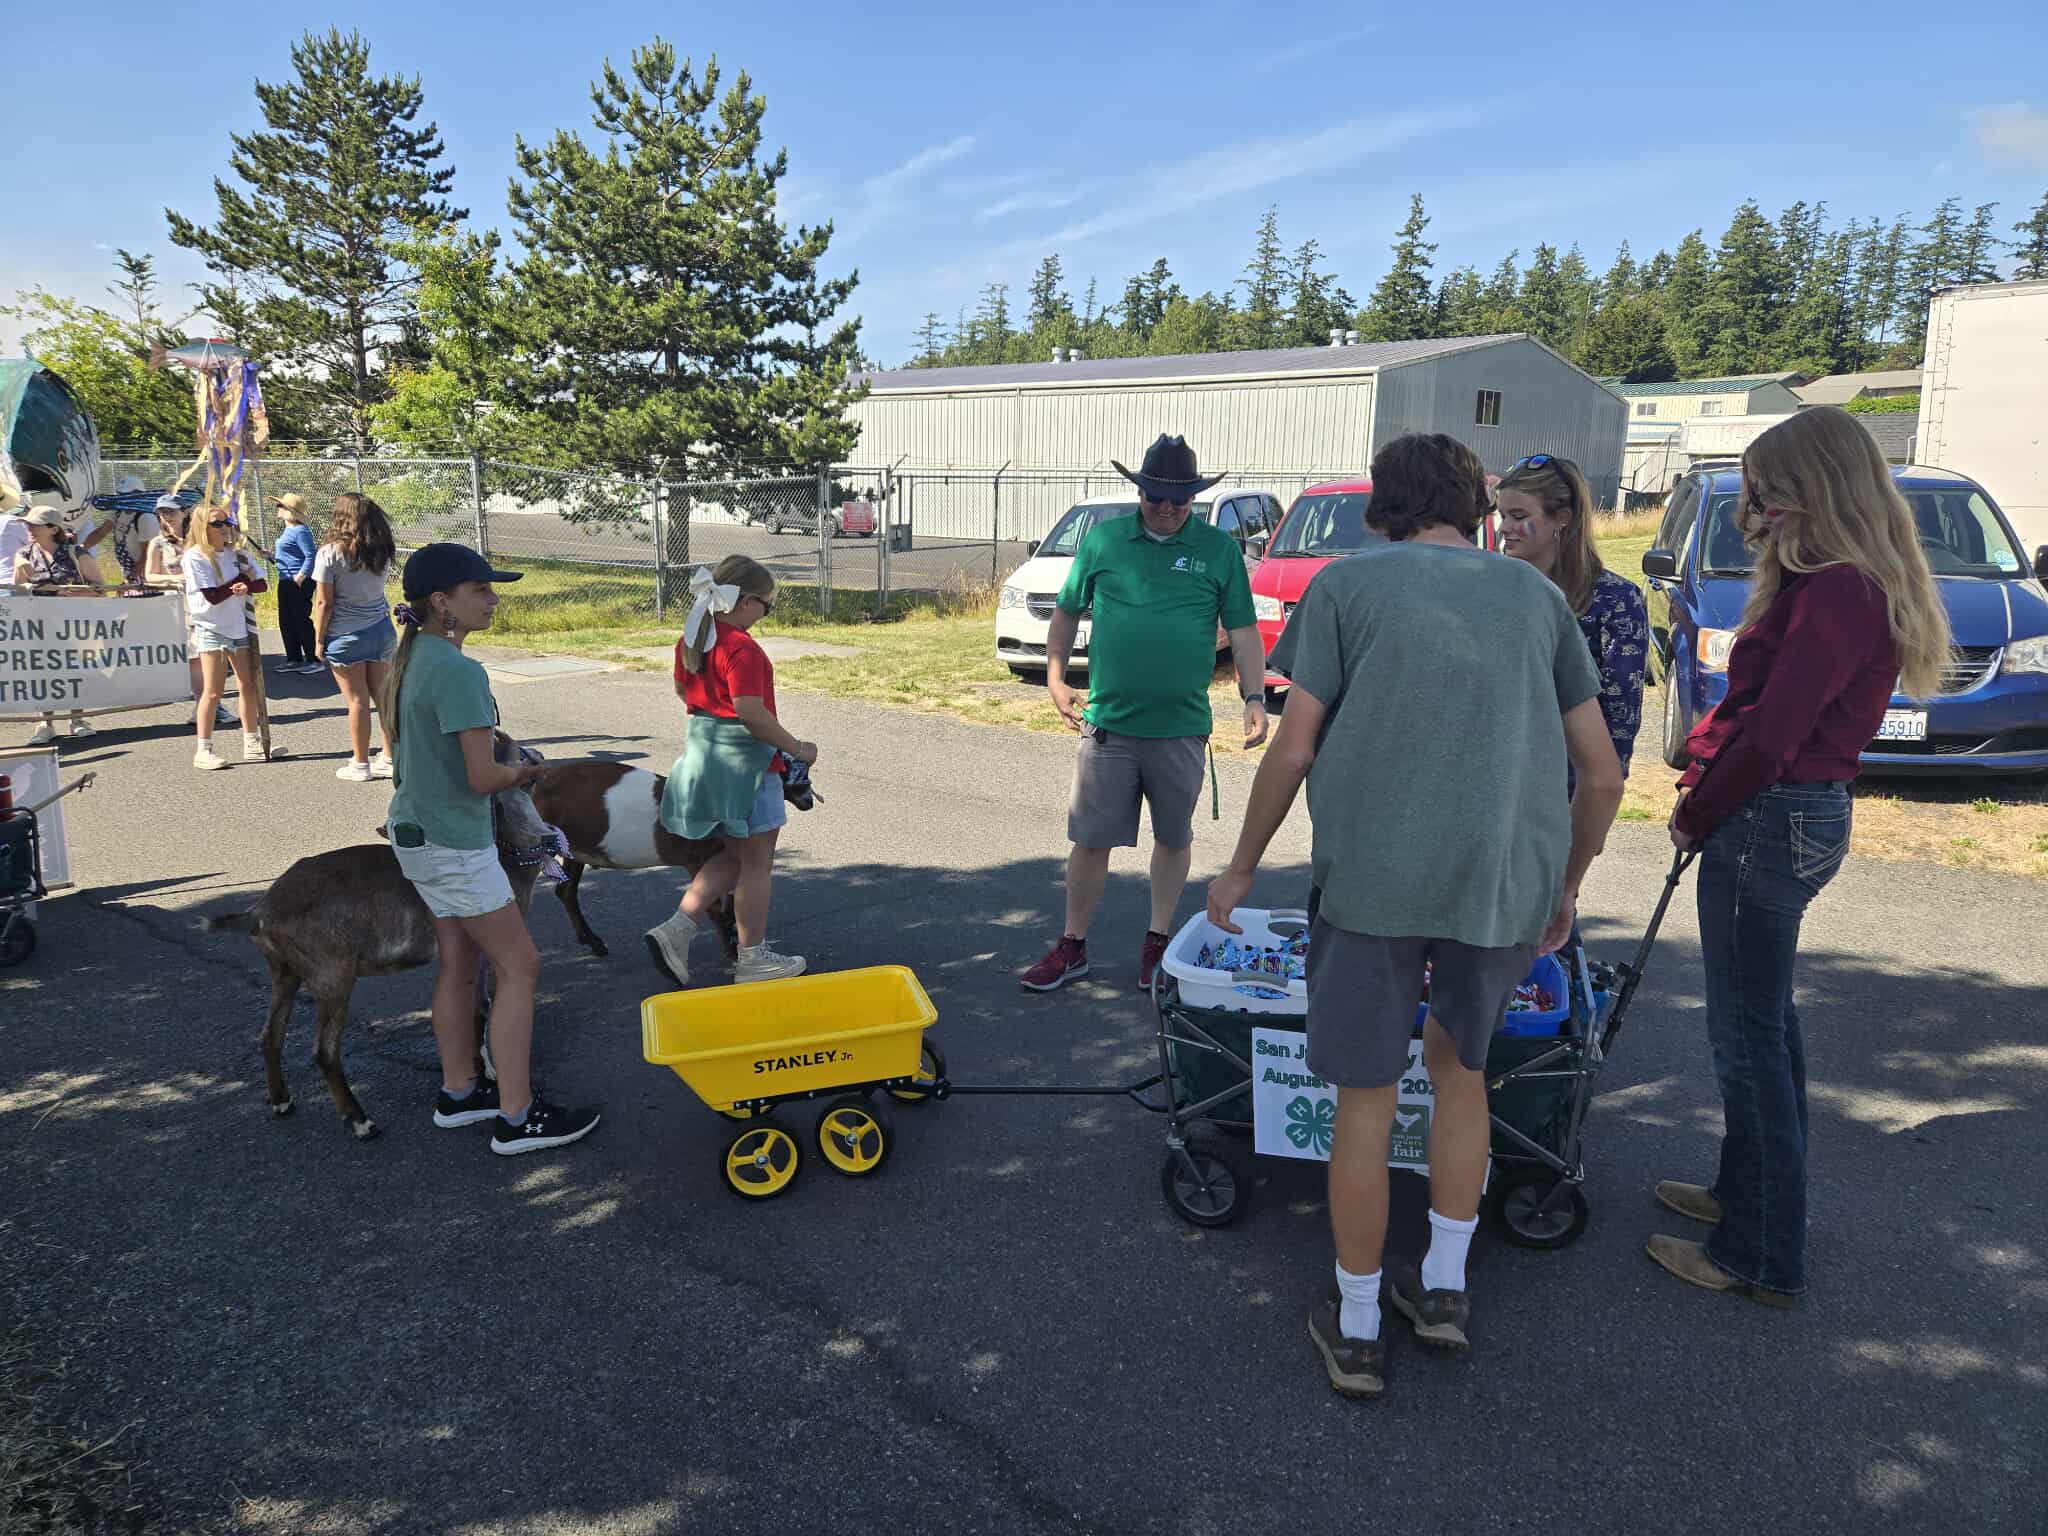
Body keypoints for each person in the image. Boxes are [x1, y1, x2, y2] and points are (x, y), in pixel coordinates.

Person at [1205, 433, 1624, 1400]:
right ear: (1475, 507)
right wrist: (1562, 884)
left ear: (1382, 507)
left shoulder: (1345, 590)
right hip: (1498, 885)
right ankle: (1442, 1289)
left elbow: (1293, 750)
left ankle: (1355, 1326)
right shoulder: (1534, 597)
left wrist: (1238, 870)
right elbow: (1601, 773)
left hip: (1372, 882)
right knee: (1460, 1070)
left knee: (1365, 1094)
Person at [1650, 406, 1950, 1308]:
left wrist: (1698, 809)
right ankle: (1744, 1194)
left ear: (1817, 486)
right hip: (1791, 815)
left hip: (1772, 818)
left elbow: (1774, 733)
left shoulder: (1839, 591)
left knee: (1744, 1039)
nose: (1757, 508)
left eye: (1771, 491)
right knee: (1765, 1024)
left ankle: (1761, 1250)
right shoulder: (1844, 581)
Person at [1021, 434, 1266, 994]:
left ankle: (1156, 942)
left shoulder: (1217, 549)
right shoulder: (1104, 541)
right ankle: (1073, 944)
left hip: (1180, 726)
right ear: (1141, 490)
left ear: (1194, 498)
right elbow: (1065, 612)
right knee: (1090, 840)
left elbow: (1246, 632)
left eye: (1180, 499)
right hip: (1110, 724)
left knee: (1174, 838)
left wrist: (1253, 697)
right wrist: (1056, 676)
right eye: (1158, 494)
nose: (1168, 507)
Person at [381, 541, 600, 1155]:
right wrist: (526, 772)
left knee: (459, 963)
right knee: (520, 966)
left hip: (418, 835)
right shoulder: (457, 670)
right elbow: (482, 777)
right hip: (454, 841)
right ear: (441, 602)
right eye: (482, 590)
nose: (494, 599)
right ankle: (517, 1116)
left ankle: (460, 1093)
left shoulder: (411, 659)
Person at [644, 556, 816, 986]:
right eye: (767, 605)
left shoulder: (694, 638)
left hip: (707, 758)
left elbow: (684, 690)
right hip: (748, 767)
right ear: (744, 602)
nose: (766, 614)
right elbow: (750, 712)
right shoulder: (741, 647)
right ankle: (753, 958)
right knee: (758, 864)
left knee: (735, 856)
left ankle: (677, 930)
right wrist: (798, 748)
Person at [1496, 453, 1650, 776]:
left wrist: (1594, 804)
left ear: (1562, 517)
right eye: (1502, 515)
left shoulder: (1616, 600)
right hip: (1494, 781)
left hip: (1565, 789)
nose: (1505, 528)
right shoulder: (1494, 591)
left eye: (1518, 515)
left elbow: (1619, 721)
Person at [313, 492, 398, 782]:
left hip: (345, 634)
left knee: (357, 701)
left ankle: (360, 763)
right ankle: (389, 757)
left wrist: (318, 639)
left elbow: (324, 603)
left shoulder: (330, 552)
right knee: (383, 698)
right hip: (381, 628)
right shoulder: (381, 550)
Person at [182, 505, 269, 770]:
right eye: (217, 523)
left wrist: (247, 584)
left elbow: (262, 584)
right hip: (211, 626)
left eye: (226, 522)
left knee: (248, 684)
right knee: (213, 690)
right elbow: (212, 595)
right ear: (203, 528)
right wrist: (242, 581)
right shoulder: (195, 557)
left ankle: (251, 741)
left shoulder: (236, 554)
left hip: (237, 625)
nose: (224, 527)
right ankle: (204, 748)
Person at [11, 506, 105, 743]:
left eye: (35, 525)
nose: (29, 529)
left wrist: (74, 594)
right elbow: (17, 594)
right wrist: (21, 574)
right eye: (28, 525)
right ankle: (45, 723)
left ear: (53, 528)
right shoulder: (24, 554)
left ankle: (77, 718)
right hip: (39, 624)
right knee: (42, 672)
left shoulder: (76, 553)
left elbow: (100, 588)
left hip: (74, 623)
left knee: (75, 670)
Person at [144, 497, 236, 730]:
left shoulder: (197, 540)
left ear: (184, 513)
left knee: (217, 653)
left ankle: (208, 704)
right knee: (196, 658)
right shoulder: (158, 543)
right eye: (162, 512)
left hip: (206, 602)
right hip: (178, 605)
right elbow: (150, 576)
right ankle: (207, 704)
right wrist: (175, 578)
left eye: (172, 511)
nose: (167, 516)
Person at [270, 493, 320, 673]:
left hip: (298, 581)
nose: (278, 509)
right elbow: (288, 555)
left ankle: (313, 659)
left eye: (281, 507)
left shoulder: (301, 531)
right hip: (285, 578)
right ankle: (293, 658)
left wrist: (301, 575)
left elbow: (310, 556)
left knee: (300, 619)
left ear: (291, 511)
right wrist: (271, 556)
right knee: (286, 620)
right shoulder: (287, 530)